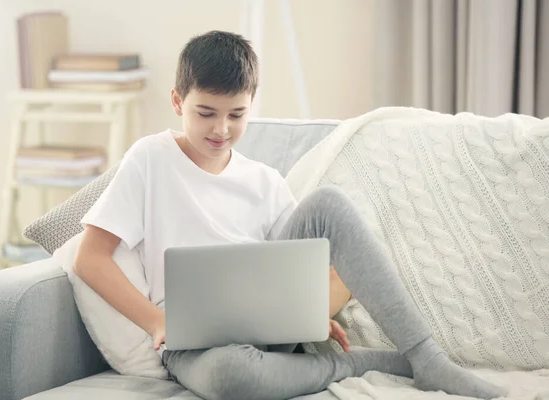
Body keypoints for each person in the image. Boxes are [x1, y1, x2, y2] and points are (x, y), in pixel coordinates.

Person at [73, 30, 507, 400]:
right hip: (194, 344)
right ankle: (366, 366)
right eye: (205, 113)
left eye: (236, 115)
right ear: (176, 101)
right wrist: (157, 321)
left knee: (328, 204)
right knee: (230, 376)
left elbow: (308, 270)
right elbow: (89, 258)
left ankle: (425, 356)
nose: (221, 130)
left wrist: (312, 315)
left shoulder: (263, 180)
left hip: (267, 328)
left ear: (252, 105)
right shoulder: (151, 158)